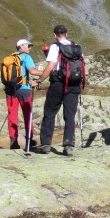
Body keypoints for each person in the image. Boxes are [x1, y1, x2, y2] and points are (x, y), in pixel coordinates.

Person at [34, 24, 86, 156]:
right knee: (70, 115)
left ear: (55, 35)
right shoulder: (76, 47)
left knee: (50, 112)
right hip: (74, 84)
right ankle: (69, 146)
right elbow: (82, 64)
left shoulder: (55, 47)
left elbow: (50, 66)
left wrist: (39, 80)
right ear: (66, 34)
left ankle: (46, 144)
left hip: (58, 82)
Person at [5, 39, 40, 150]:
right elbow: (32, 71)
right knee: (27, 114)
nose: (30, 48)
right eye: (28, 46)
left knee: (12, 114)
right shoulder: (26, 57)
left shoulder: (9, 58)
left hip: (10, 90)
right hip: (24, 89)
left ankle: (13, 141)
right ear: (21, 47)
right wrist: (46, 73)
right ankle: (29, 140)